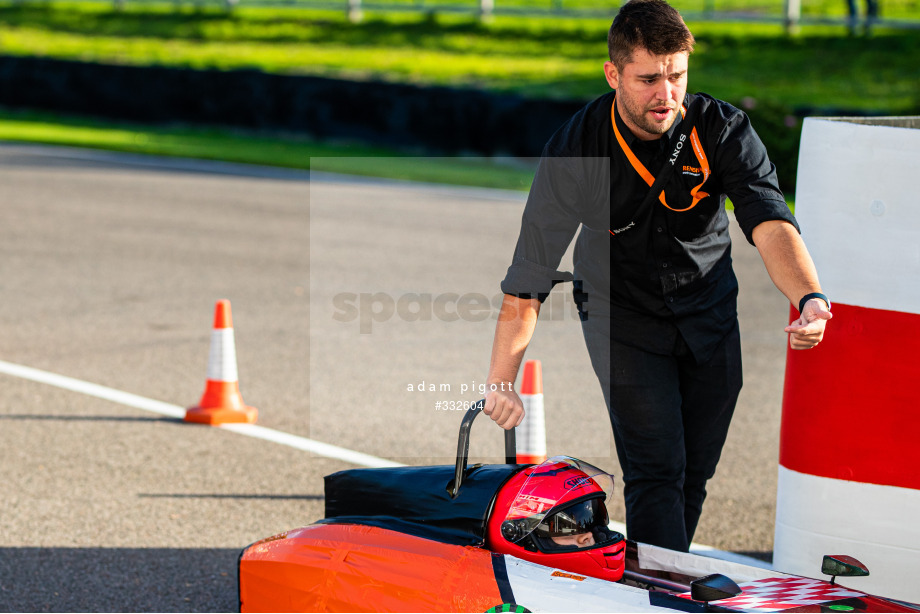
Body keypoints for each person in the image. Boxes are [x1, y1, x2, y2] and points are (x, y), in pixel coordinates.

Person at [482, 0, 832, 552]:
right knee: (657, 468)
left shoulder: (721, 129)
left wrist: (809, 296)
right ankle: (658, 592)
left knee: (695, 470)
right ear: (613, 73)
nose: (665, 94)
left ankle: (659, 569)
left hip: (709, 309)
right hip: (622, 316)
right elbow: (530, 273)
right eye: (648, 79)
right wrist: (502, 379)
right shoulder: (577, 149)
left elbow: (768, 220)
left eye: (676, 76)